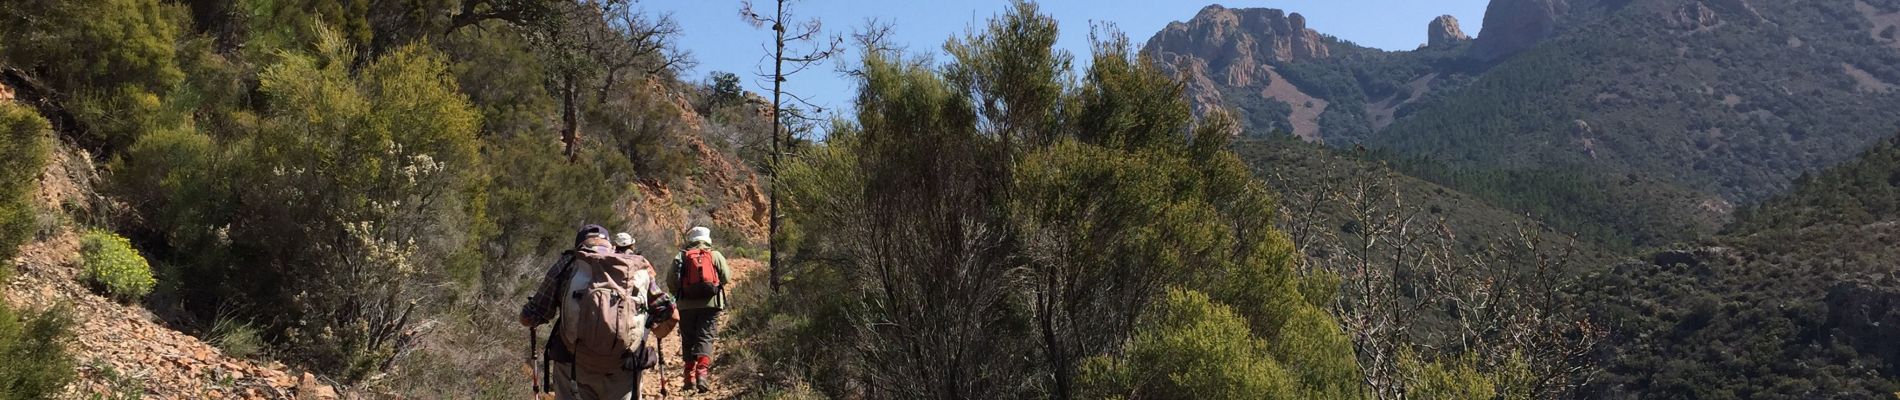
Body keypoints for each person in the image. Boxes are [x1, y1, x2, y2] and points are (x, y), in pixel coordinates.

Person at [520, 224, 673, 400]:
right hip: (622, 367)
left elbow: (534, 315)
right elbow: (668, 312)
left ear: (579, 245)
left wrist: (526, 315)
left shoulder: (568, 264)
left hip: (574, 365)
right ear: (610, 244)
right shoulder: (635, 266)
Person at [669, 226, 731, 393]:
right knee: (705, 337)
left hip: (686, 306)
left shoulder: (681, 256)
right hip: (710, 305)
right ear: (707, 238)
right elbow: (727, 276)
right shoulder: (715, 255)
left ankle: (688, 377)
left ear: (692, 239)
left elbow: (671, 281)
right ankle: (702, 375)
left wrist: (681, 292)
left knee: (688, 338)